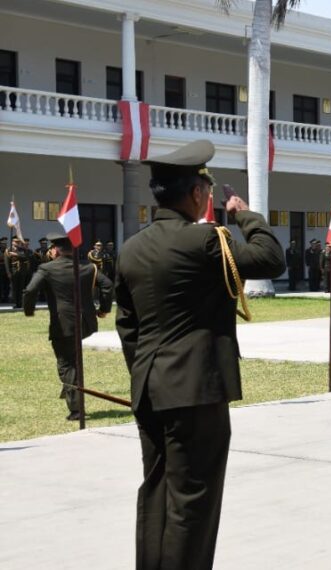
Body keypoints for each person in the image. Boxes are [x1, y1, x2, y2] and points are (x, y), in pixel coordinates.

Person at [115, 139, 285, 569]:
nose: (208, 198)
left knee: (157, 492)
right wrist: (245, 214)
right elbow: (270, 259)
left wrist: (145, 373)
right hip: (194, 391)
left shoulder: (130, 248)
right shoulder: (205, 241)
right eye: (206, 191)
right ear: (196, 193)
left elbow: (128, 326)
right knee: (193, 502)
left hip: (150, 389)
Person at [23, 232, 113, 421]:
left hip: (63, 325)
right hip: (87, 324)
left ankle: (76, 408)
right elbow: (107, 285)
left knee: (67, 364)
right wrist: (103, 309)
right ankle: (71, 389)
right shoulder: (89, 268)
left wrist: (29, 310)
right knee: (73, 362)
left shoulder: (46, 268)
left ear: (55, 249)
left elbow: (30, 290)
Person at [5, 237, 33, 309]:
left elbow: (27, 257)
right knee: (14, 288)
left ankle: (21, 303)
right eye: (15, 242)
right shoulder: (8, 250)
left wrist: (16, 255)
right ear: (12, 242)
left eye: (18, 242)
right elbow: (7, 263)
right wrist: (8, 273)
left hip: (22, 271)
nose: (17, 243)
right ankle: (15, 303)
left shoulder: (23, 250)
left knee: (21, 288)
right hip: (14, 271)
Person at [0, 236, 10, 303]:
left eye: (5, 243)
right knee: (0, 285)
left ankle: (6, 298)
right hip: (0, 270)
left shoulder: (8, 250)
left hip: (7, 270)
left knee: (7, 285)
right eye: (3, 243)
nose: (4, 245)